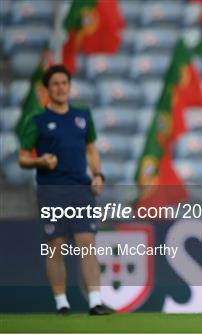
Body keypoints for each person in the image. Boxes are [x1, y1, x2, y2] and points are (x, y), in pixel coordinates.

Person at [18, 65, 110, 315]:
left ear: (70, 87)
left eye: (64, 83)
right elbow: (23, 158)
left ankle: (95, 301)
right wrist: (39, 161)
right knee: (55, 245)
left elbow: (91, 149)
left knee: (87, 242)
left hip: (80, 188)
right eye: (55, 84)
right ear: (47, 89)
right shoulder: (36, 120)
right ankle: (62, 303)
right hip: (52, 190)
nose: (60, 88)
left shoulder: (82, 117)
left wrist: (98, 174)